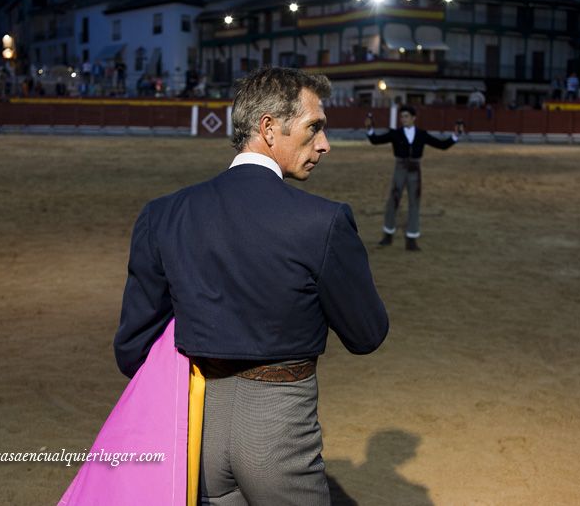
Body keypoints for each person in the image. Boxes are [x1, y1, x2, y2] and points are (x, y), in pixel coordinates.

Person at [115, 67, 389, 505]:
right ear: (268, 128)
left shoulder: (162, 214)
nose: (324, 144)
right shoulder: (323, 221)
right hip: (279, 429)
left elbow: (132, 351)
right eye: (314, 127)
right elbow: (366, 335)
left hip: (195, 428)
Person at [365, 106, 460, 251]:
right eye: (402, 116)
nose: (403, 119)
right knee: (393, 201)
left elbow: (442, 145)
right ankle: (388, 235)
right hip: (400, 168)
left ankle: (411, 239)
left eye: (406, 116)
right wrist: (370, 128)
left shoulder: (422, 134)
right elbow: (375, 140)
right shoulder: (395, 133)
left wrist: (455, 135)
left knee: (414, 202)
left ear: (414, 118)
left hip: (415, 169)